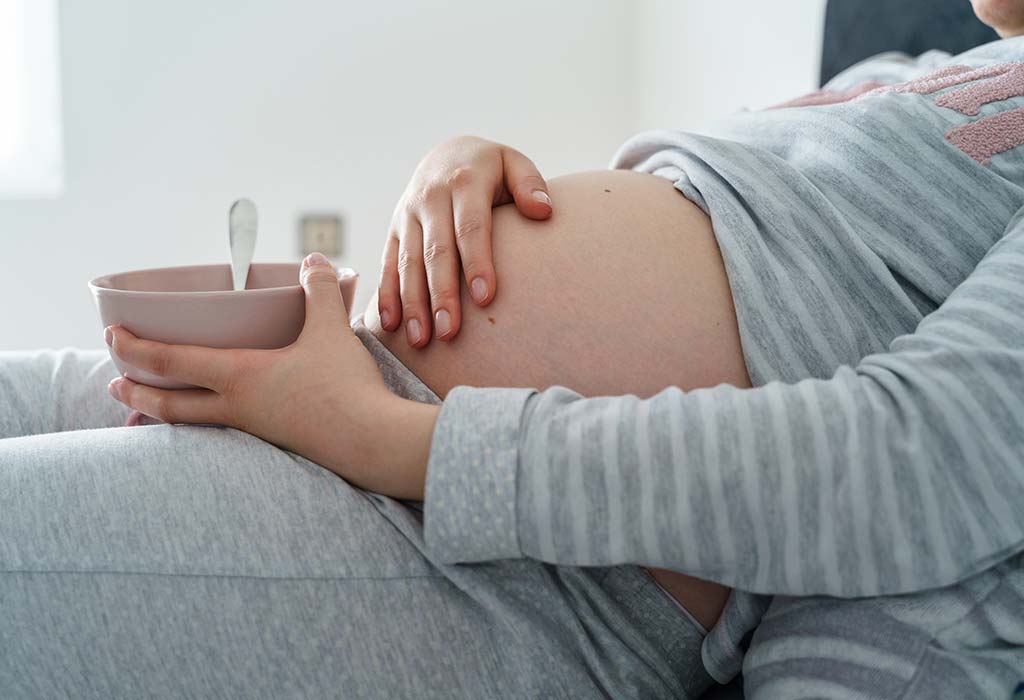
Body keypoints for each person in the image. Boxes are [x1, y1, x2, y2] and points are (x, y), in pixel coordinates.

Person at [3, 1, 1024, 697]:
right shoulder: (940, 69)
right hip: (346, 378)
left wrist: (386, 436)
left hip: (503, 556)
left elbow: (921, 463)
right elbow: (726, 218)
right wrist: (468, 169)